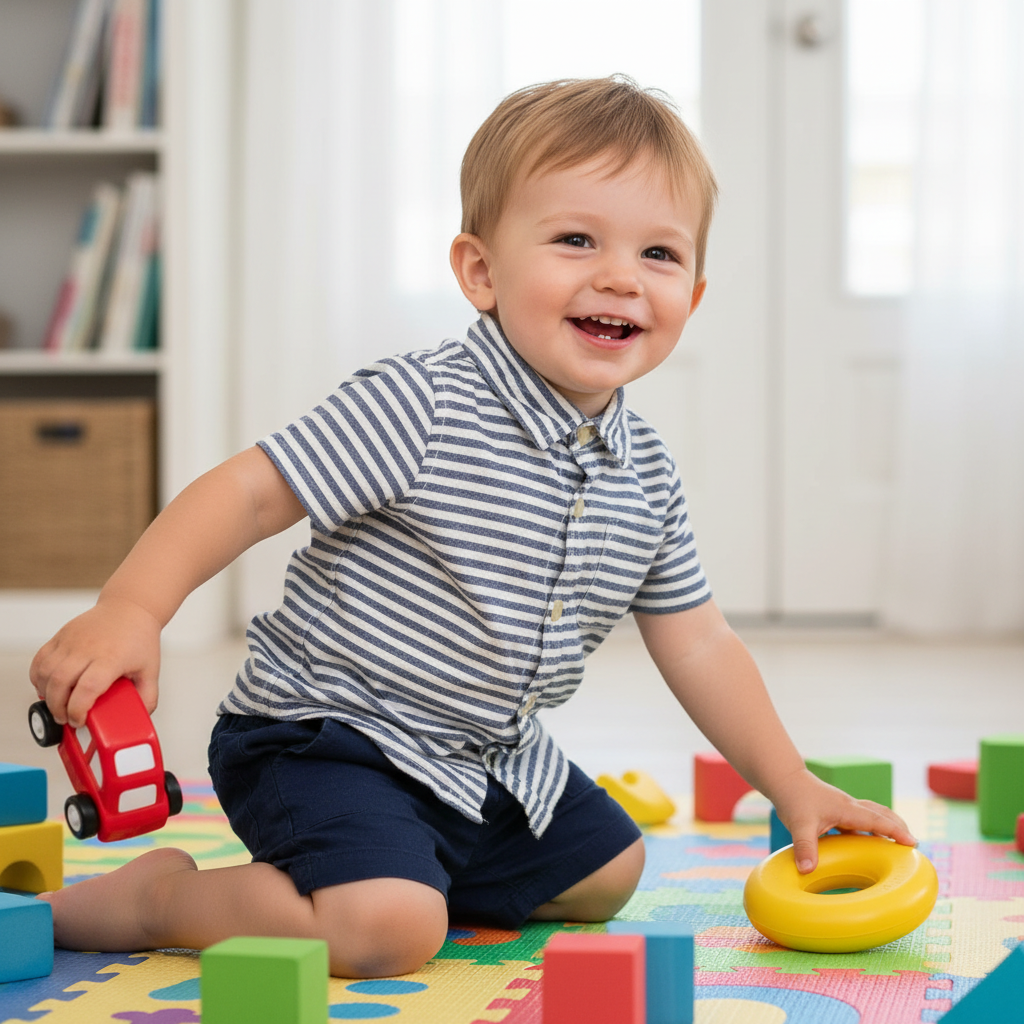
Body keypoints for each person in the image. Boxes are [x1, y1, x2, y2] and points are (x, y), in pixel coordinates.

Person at [30, 76, 916, 979]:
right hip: (329, 735)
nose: (618, 275)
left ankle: (400, 864)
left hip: (484, 754)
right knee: (390, 930)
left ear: (693, 292)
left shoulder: (644, 472)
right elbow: (251, 493)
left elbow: (699, 643)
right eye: (576, 240)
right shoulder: (425, 403)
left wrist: (792, 783)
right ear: (481, 272)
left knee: (611, 872)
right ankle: (162, 899)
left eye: (658, 254)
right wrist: (132, 608)